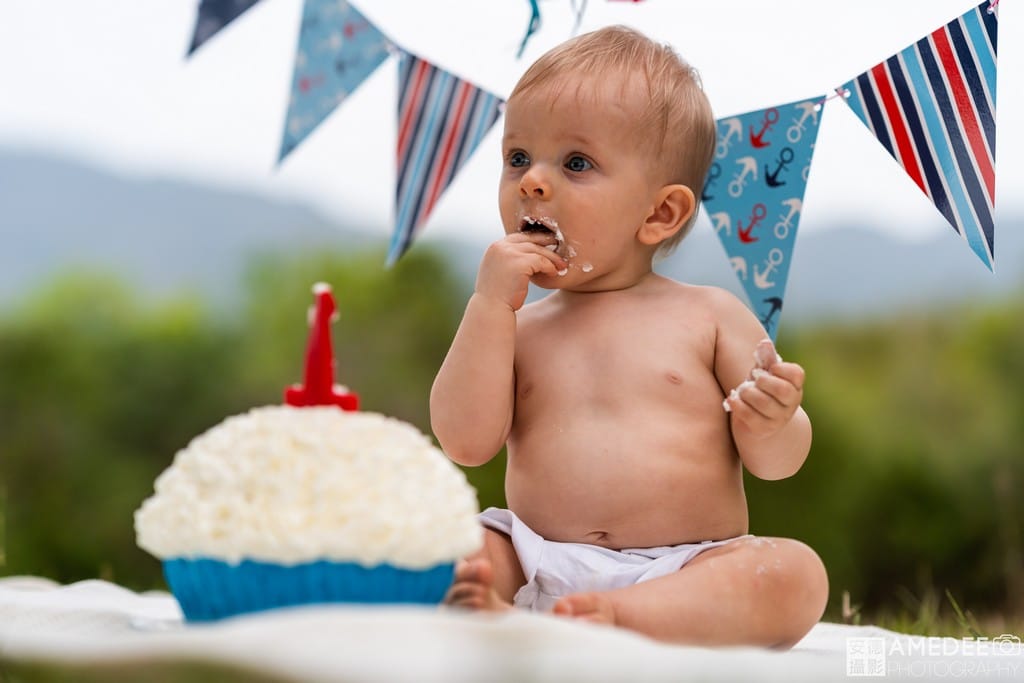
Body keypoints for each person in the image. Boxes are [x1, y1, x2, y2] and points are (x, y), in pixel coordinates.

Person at [429, 25, 827, 649]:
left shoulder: (708, 315)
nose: (532, 180)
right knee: (447, 544)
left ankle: (624, 619)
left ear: (659, 213)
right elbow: (465, 443)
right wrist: (488, 306)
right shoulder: (514, 326)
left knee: (794, 575)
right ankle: (501, 605)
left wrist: (772, 421)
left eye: (576, 163)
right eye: (517, 158)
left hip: (686, 570)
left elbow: (777, 466)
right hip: (533, 558)